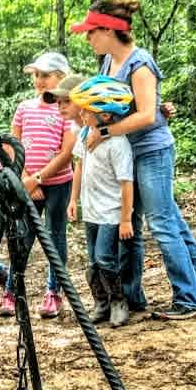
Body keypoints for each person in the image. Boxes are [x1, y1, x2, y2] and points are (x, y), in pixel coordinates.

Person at [71, 0, 196, 320]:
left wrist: (107, 133)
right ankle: (135, 295)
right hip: (125, 153)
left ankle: (190, 299)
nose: (87, 38)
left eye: (91, 32)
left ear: (109, 31)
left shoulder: (139, 63)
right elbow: (117, 105)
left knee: (162, 222)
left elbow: (146, 116)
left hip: (150, 152)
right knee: (138, 226)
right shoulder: (107, 63)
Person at [0, 52, 76, 319]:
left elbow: (66, 152)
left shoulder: (67, 110)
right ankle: (12, 290)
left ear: (61, 77)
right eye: (37, 75)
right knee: (23, 236)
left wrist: (39, 178)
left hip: (57, 184)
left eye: (46, 75)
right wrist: (25, 179)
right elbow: (12, 145)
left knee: (55, 236)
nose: (40, 80)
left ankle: (54, 292)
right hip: (27, 184)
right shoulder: (24, 108)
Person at [67, 76, 136, 327]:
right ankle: (101, 302)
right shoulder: (85, 134)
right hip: (91, 211)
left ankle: (119, 301)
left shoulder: (118, 144)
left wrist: (126, 219)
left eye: (88, 110)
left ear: (106, 116)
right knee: (93, 261)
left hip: (110, 212)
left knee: (105, 258)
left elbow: (126, 182)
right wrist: (73, 199)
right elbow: (79, 165)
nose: (82, 114)